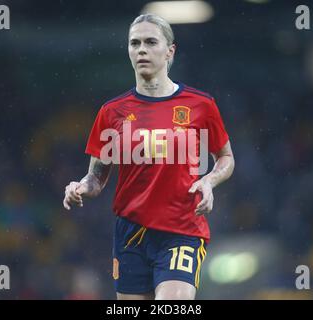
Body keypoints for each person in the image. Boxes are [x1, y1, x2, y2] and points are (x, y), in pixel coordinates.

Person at [63, 13, 235, 300]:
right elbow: (97, 176)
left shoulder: (201, 105)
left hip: (182, 228)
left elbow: (226, 157)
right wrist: (80, 187)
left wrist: (209, 181)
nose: (141, 49)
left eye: (150, 42)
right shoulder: (112, 112)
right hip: (130, 232)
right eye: (135, 43)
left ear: (170, 51)